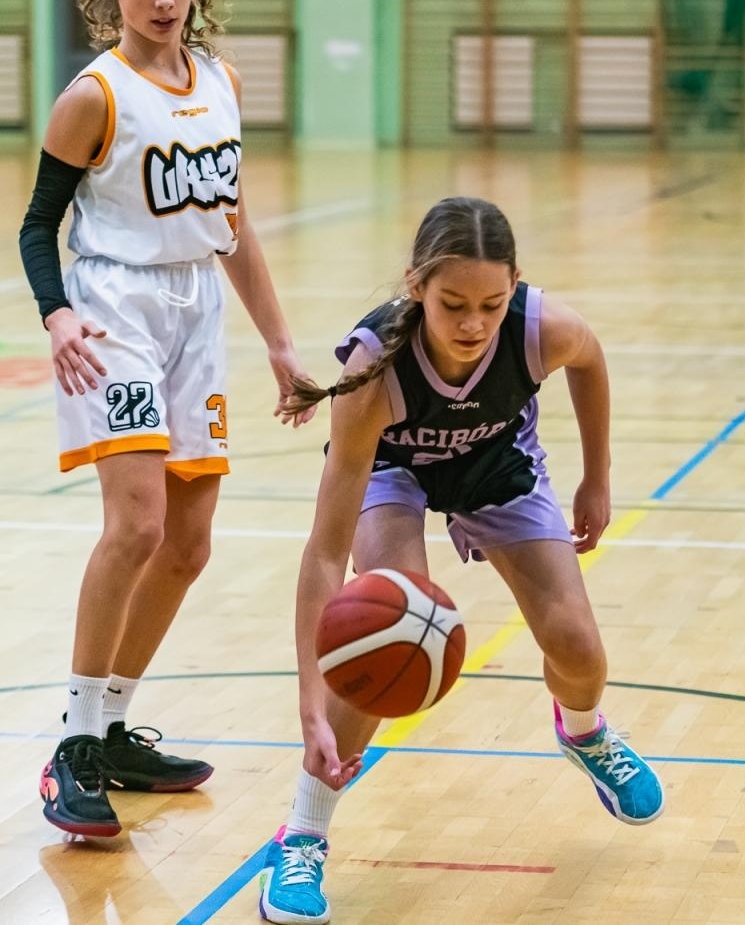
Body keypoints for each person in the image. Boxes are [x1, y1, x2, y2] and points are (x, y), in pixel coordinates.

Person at [255, 197, 665, 925]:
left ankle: (584, 730)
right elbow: (323, 553)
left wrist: (596, 476)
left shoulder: (542, 328)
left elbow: (592, 359)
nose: (474, 324)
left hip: (496, 461)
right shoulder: (373, 369)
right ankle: (303, 832)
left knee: (578, 647)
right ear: (416, 285)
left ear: (515, 286)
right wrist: (310, 700)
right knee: (388, 636)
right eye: (453, 305)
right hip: (393, 470)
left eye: (491, 303)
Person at [18, 0, 316, 838]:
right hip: (115, 310)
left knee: (189, 544)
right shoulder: (93, 97)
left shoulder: (221, 82)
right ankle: (71, 742)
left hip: (197, 314)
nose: (164, 0)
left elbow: (231, 224)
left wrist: (278, 342)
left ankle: (110, 728)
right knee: (137, 524)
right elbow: (36, 226)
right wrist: (57, 315)